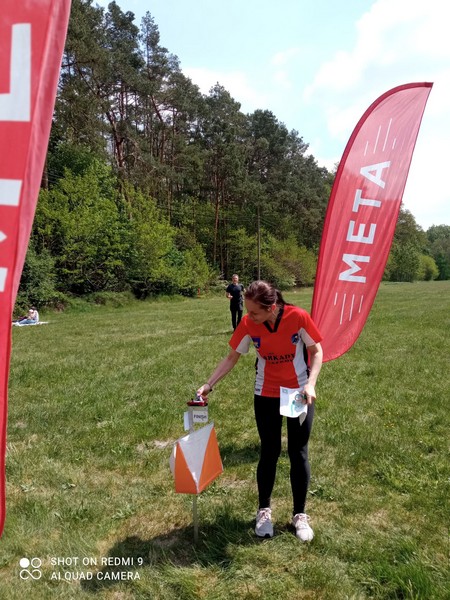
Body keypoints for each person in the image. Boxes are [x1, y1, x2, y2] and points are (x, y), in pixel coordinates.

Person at [197, 280, 323, 542]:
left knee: (298, 452)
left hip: (297, 393)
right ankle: (264, 510)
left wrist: (310, 385)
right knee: (269, 451)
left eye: (254, 312)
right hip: (265, 393)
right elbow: (232, 356)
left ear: (272, 307)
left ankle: (299, 514)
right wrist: (209, 383)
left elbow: (316, 350)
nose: (249, 316)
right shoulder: (248, 324)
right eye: (248, 311)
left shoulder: (298, 317)